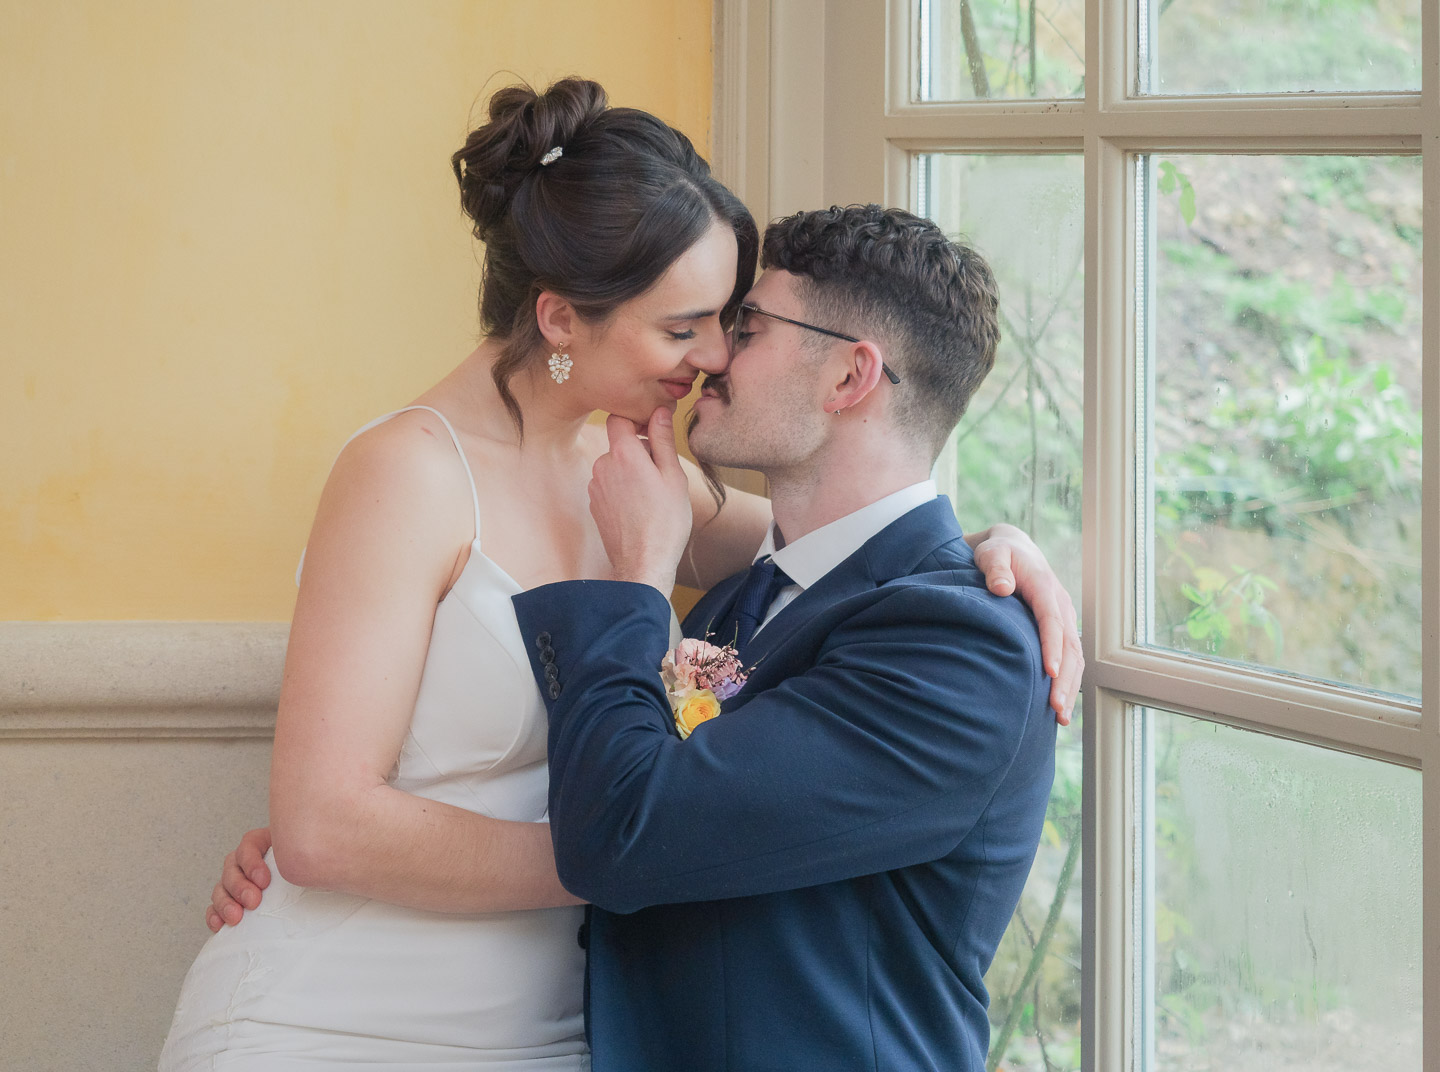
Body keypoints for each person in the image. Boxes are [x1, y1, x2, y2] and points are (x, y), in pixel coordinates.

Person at [173, 78, 1080, 1069]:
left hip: (565, 1030)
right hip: (356, 1015)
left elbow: (851, 549)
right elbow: (322, 827)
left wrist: (1000, 548)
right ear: (561, 321)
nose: (713, 356)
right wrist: (633, 853)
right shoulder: (410, 473)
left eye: (733, 322)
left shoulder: (646, 483)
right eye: (683, 327)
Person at [507, 204, 1056, 1071]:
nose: (713, 356)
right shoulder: (743, 597)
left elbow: (622, 834)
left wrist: (641, 574)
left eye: (749, 327)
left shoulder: (961, 651)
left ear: (850, 377)